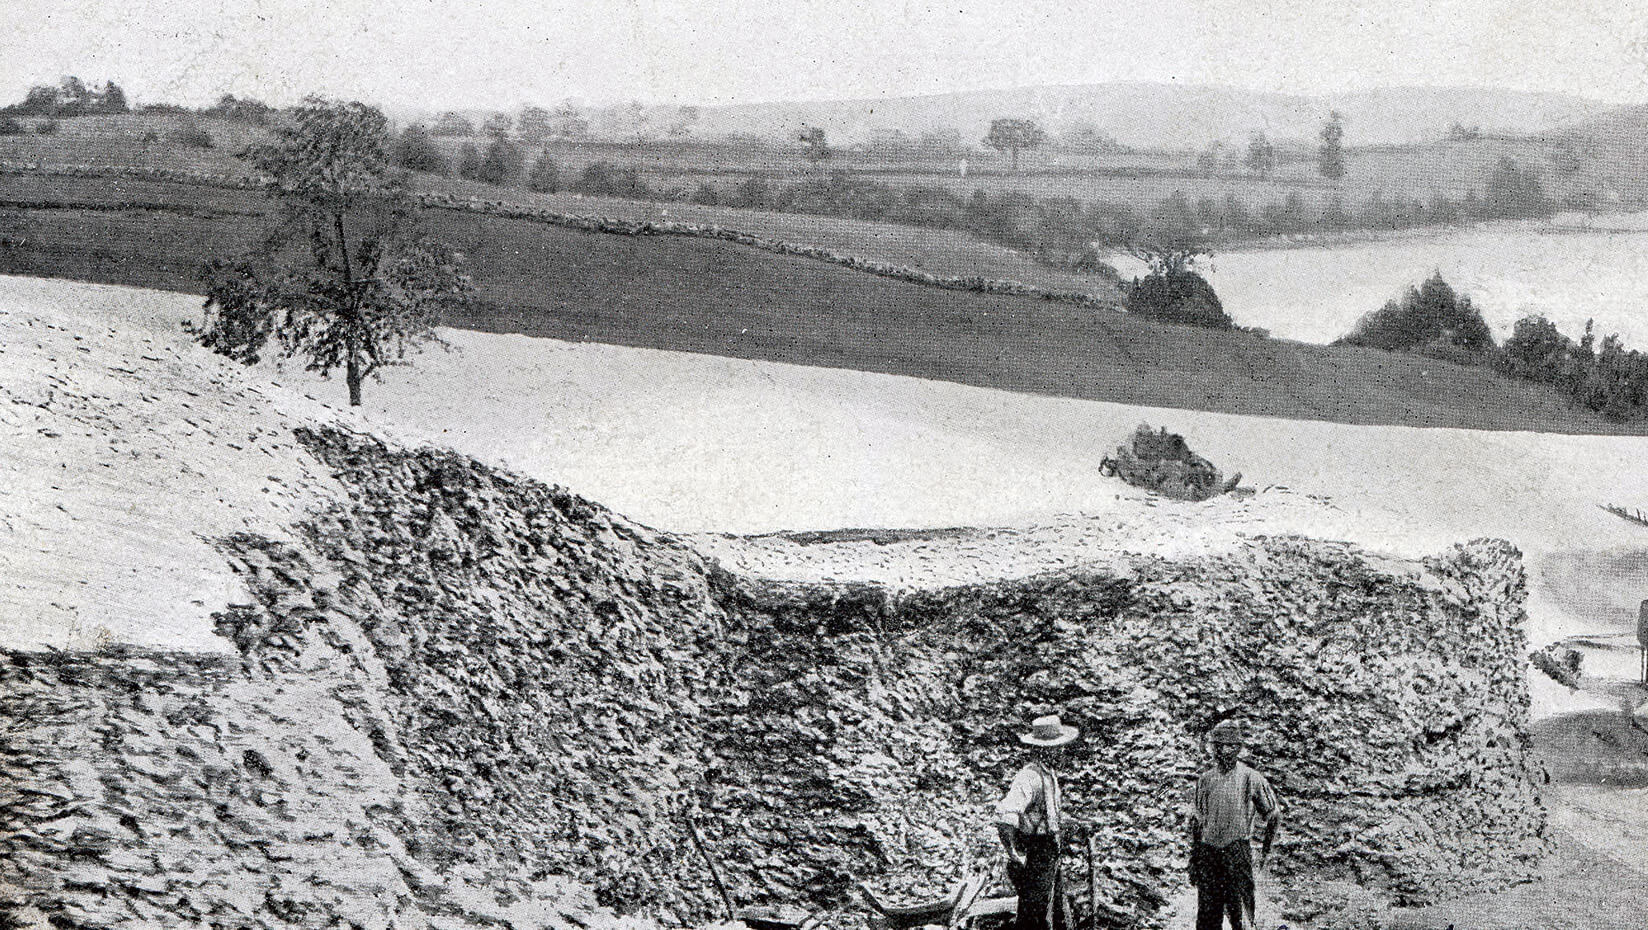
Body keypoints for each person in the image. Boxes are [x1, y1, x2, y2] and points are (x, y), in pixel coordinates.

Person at [1188, 719, 1279, 930]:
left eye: (1229, 745)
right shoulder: (1205, 780)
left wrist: (1265, 852)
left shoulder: (1251, 777)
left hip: (1236, 852)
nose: (1223, 751)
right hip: (1208, 854)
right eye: (1218, 746)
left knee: (1242, 918)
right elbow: (1196, 823)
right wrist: (1194, 860)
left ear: (1238, 748)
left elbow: (1273, 814)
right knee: (1207, 920)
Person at [995, 713, 1079, 930]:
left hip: (1048, 851)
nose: (1062, 752)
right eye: (1057, 747)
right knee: (1032, 916)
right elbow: (1006, 816)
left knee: (1049, 910)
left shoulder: (1049, 775)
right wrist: (1014, 853)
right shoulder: (1028, 777)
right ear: (1044, 749)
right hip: (1034, 853)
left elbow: (1048, 814)